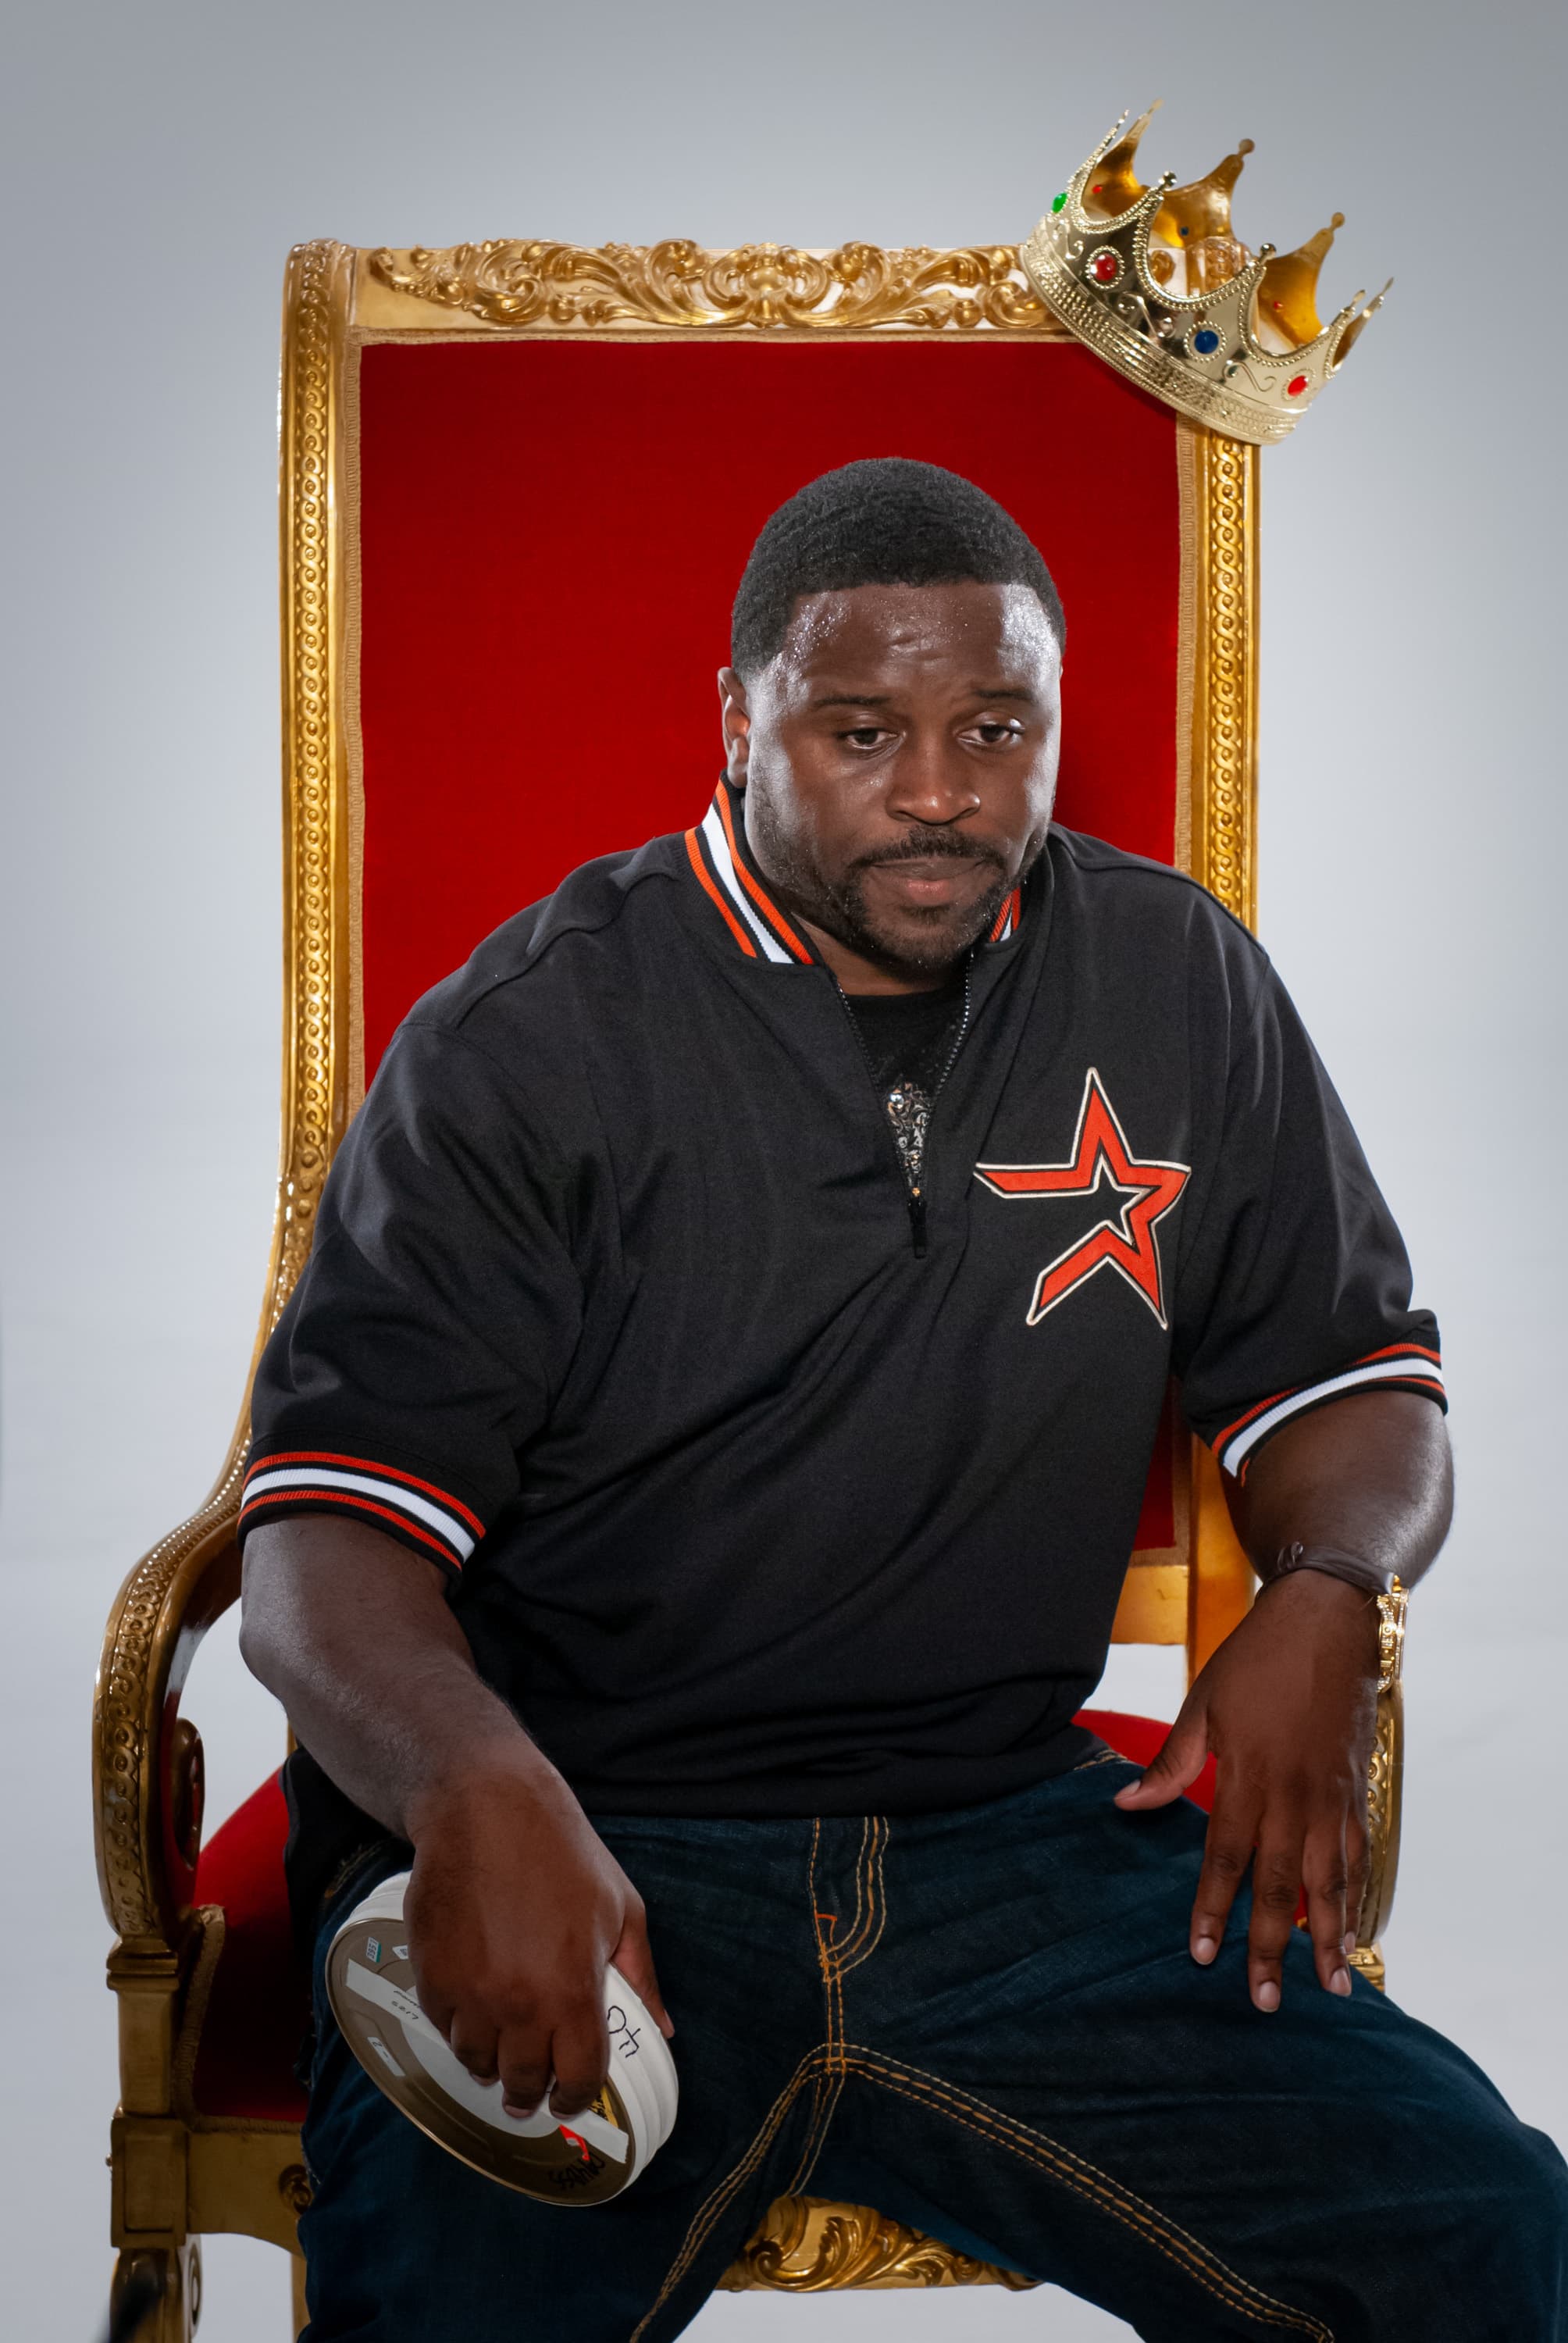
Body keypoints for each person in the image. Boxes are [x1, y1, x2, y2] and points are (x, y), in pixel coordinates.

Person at [239, 458, 1566, 2341]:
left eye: (994, 726)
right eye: (860, 729)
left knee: (1480, 2233)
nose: (940, 790)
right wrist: (468, 1786)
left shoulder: (1171, 971)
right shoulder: (524, 1038)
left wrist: (1326, 1591)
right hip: (599, 1837)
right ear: (737, 724)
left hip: (1010, 1841)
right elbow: (323, 1536)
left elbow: (1354, 1381)